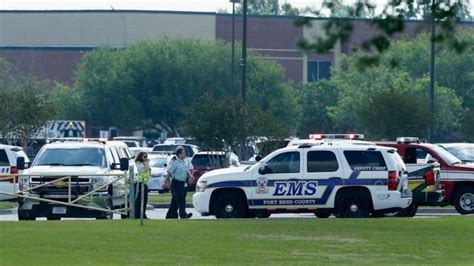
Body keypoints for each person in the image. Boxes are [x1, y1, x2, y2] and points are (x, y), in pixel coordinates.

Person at [164, 146, 193, 219]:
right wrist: (166, 183)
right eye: (183, 153)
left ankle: (170, 215)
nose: (185, 154)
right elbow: (169, 173)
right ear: (179, 154)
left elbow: (187, 171)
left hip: (183, 183)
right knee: (181, 200)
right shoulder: (175, 162)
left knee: (175, 201)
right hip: (176, 183)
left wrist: (190, 176)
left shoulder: (184, 162)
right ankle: (183, 215)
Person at [134, 151, 151, 219]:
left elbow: (148, 170)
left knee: (144, 201)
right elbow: (144, 170)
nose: (146, 158)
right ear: (140, 157)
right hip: (139, 183)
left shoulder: (144, 163)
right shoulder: (138, 164)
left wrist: (147, 163)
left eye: (146, 156)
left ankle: (143, 214)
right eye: (144, 156)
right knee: (139, 201)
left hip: (144, 183)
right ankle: (138, 215)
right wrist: (147, 163)